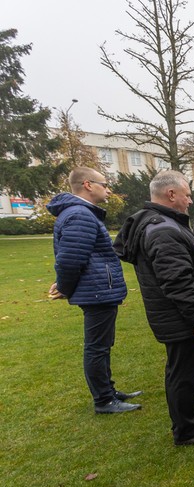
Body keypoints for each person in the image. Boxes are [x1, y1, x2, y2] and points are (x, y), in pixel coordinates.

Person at [113, 171, 194, 445]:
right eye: (187, 194)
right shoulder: (163, 230)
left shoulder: (164, 224)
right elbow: (177, 282)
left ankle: (189, 419)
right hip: (180, 319)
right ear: (171, 194)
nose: (190, 201)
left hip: (176, 317)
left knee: (184, 372)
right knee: (183, 374)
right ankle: (186, 430)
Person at [47, 167, 142, 414]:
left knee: (102, 345)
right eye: (104, 184)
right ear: (88, 185)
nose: (108, 189)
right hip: (96, 291)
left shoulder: (82, 214)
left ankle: (109, 391)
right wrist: (65, 288)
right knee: (97, 347)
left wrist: (65, 285)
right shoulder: (80, 215)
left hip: (98, 289)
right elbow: (70, 259)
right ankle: (104, 399)